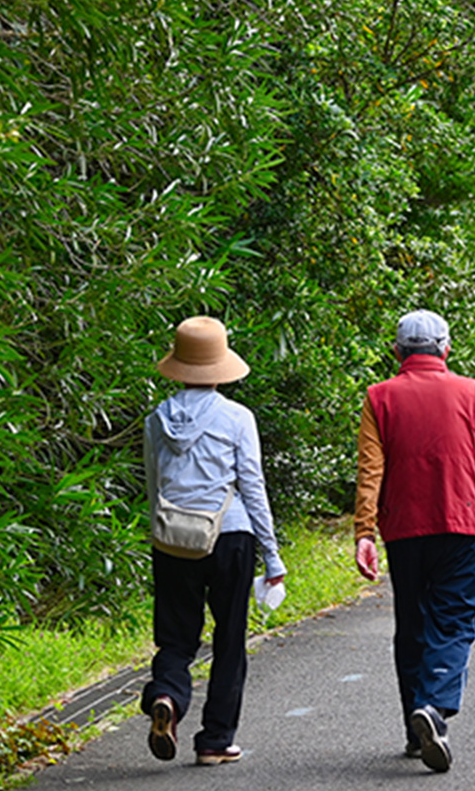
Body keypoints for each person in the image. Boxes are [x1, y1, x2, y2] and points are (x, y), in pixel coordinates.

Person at [354, 310, 475, 773]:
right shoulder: (468, 392)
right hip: (461, 522)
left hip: (404, 529)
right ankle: (434, 708)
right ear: (445, 349)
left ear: (397, 352)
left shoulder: (379, 398)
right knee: (455, 620)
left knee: (412, 624)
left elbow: (370, 470)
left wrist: (364, 532)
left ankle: (415, 729)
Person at [140, 316, 287, 766]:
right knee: (229, 639)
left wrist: (160, 532)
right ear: (220, 365)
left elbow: (153, 484)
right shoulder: (237, 418)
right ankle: (215, 740)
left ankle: (167, 694)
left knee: (175, 637)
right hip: (231, 536)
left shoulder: (155, 420)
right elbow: (252, 486)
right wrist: (272, 554)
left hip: (173, 540)